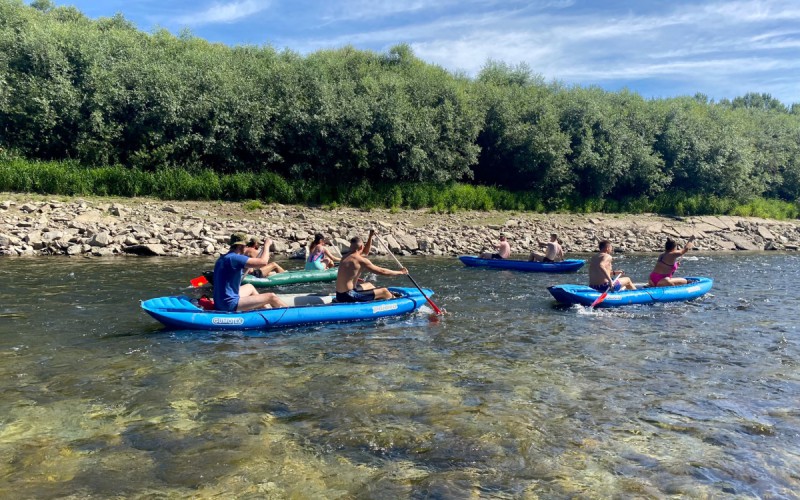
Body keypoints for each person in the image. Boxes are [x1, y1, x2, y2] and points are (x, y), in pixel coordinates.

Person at [213, 233, 288, 312]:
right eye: (245, 246)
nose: (246, 248)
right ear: (240, 246)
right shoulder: (235, 258)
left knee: (249, 287)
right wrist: (267, 245)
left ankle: (266, 310)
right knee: (271, 297)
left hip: (220, 303)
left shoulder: (223, 258)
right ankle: (291, 313)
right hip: (229, 305)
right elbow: (263, 262)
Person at [335, 234, 408, 302]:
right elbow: (382, 271)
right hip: (348, 296)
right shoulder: (360, 260)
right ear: (361, 247)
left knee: (369, 285)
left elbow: (365, 253)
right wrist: (401, 272)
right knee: (384, 291)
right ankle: (396, 302)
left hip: (339, 295)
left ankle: (375, 298)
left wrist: (370, 237)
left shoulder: (345, 257)